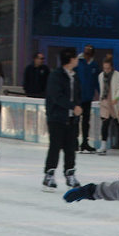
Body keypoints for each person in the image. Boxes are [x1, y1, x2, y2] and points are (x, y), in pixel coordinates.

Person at [42, 47, 82, 190]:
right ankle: (49, 173)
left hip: (72, 119)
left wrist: (77, 107)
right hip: (57, 118)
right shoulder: (56, 76)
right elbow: (56, 96)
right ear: (70, 59)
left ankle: (69, 173)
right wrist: (73, 106)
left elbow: (77, 94)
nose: (77, 60)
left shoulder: (74, 76)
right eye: (76, 57)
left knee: (71, 147)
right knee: (55, 146)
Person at [97, 55, 119, 155]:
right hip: (105, 102)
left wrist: (116, 98)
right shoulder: (101, 76)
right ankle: (103, 145)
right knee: (105, 123)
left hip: (115, 102)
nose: (106, 70)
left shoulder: (117, 75)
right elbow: (102, 89)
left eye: (108, 68)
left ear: (112, 67)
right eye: (104, 68)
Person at [77, 45, 100, 152]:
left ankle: (85, 142)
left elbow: (97, 82)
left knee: (86, 121)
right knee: (75, 120)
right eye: (86, 53)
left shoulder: (94, 65)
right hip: (77, 97)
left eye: (89, 54)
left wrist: (101, 94)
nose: (87, 55)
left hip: (87, 97)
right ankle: (74, 141)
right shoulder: (78, 63)